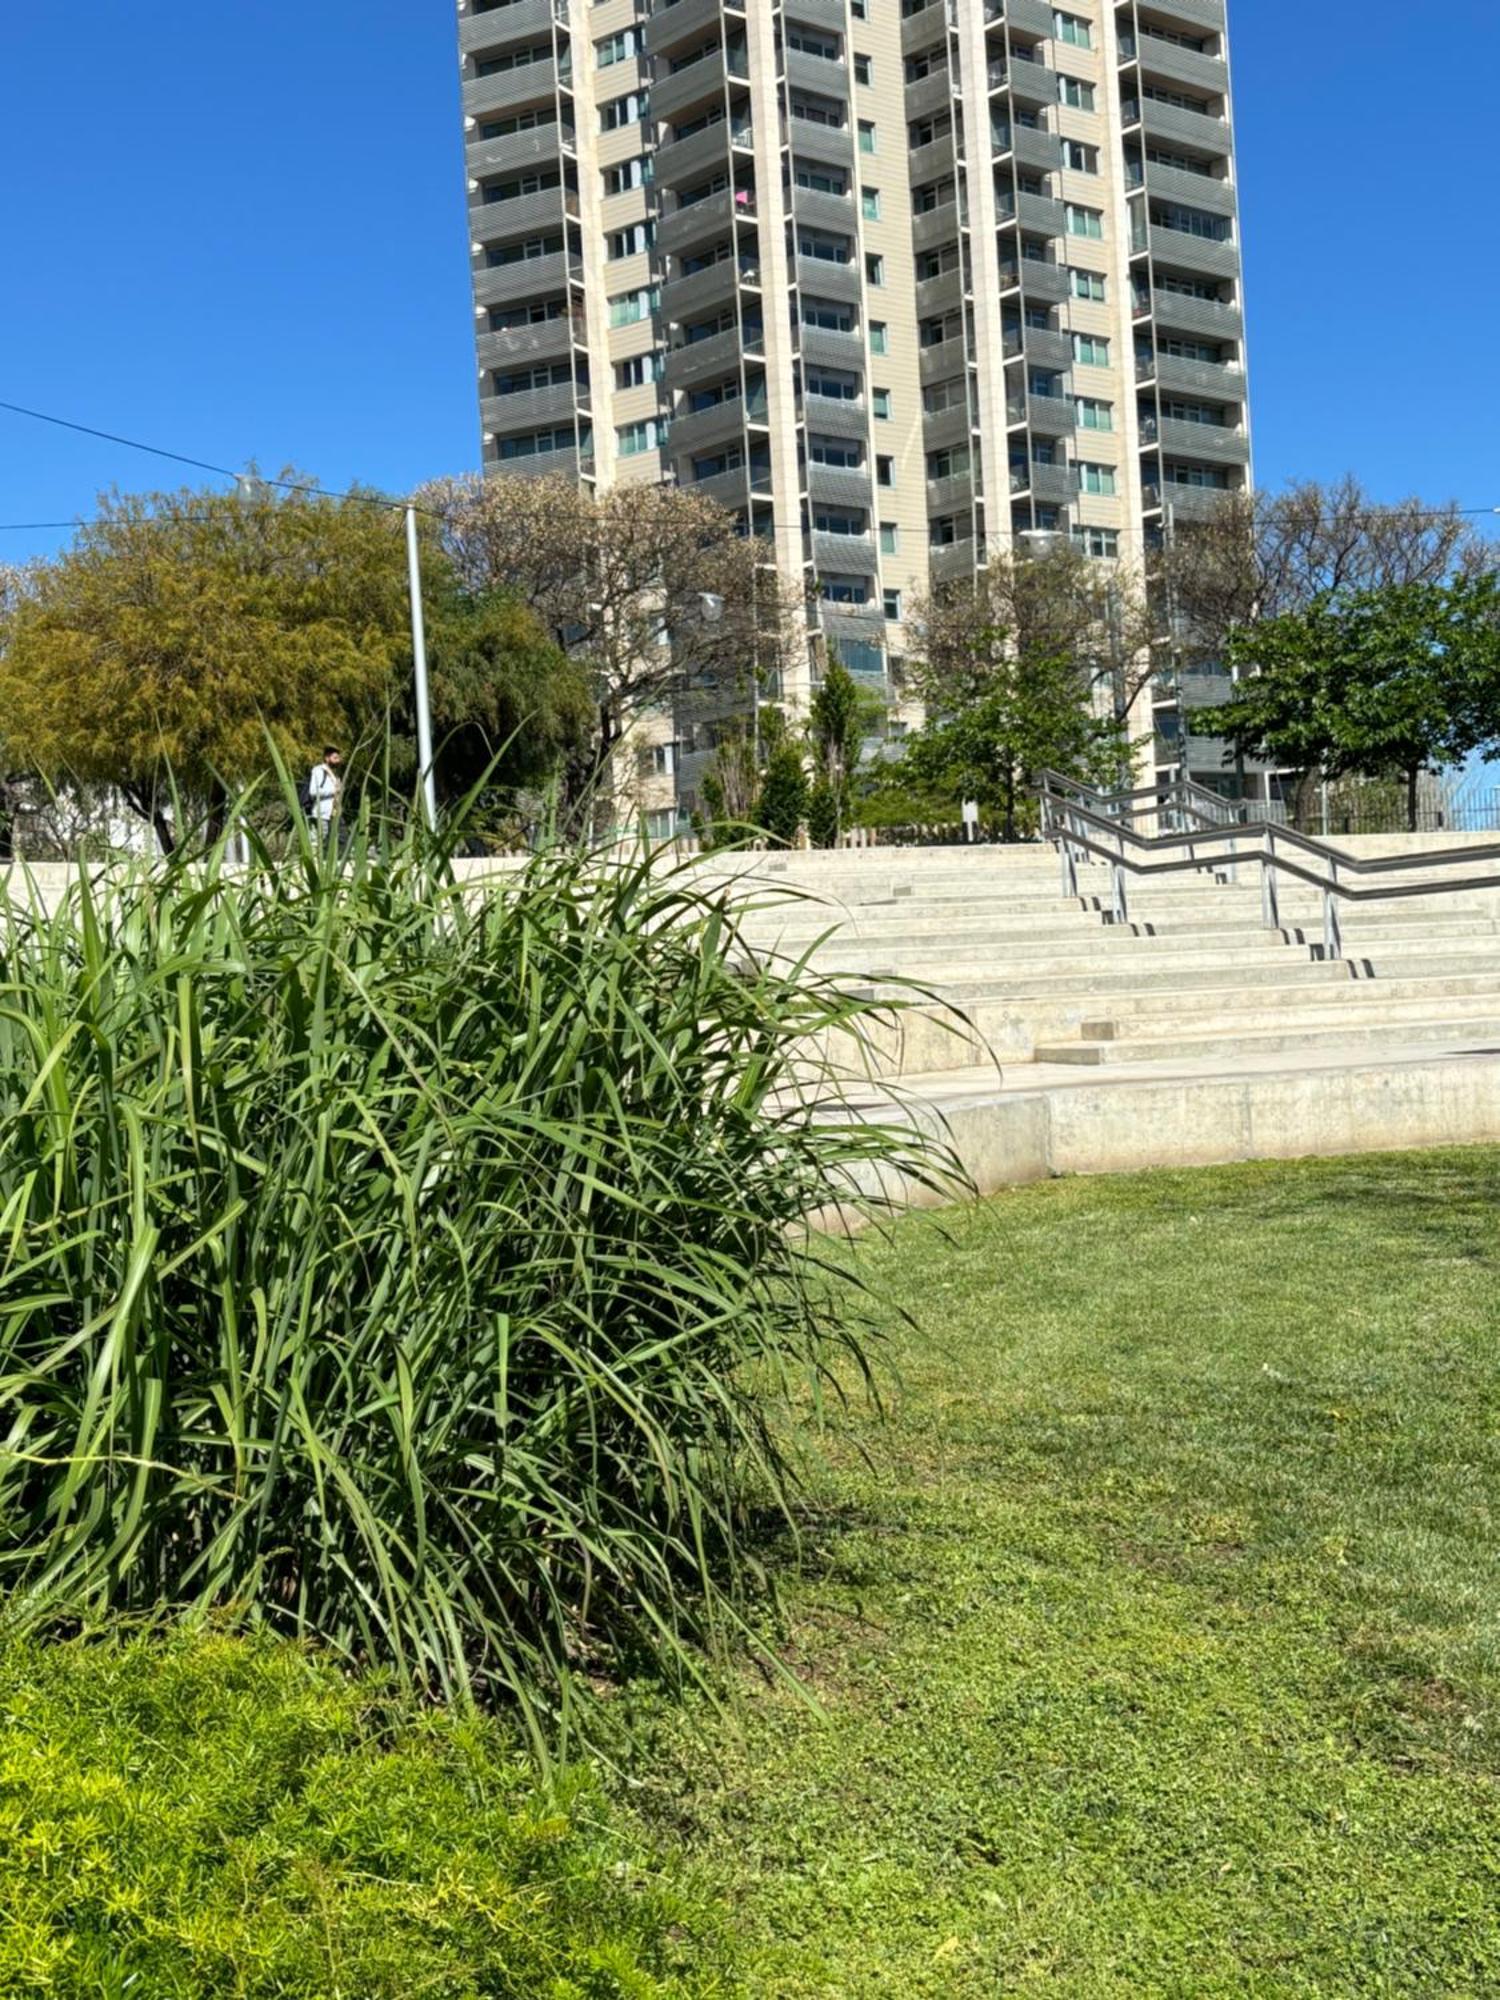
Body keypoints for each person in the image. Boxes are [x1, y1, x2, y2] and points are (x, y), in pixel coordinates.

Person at [307, 746, 344, 848]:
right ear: (327, 758)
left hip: (334, 813)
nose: (338, 760)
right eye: (335, 758)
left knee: (339, 839)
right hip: (322, 813)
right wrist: (334, 791)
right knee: (319, 841)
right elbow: (313, 791)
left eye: (339, 758)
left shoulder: (335, 774)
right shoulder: (319, 770)